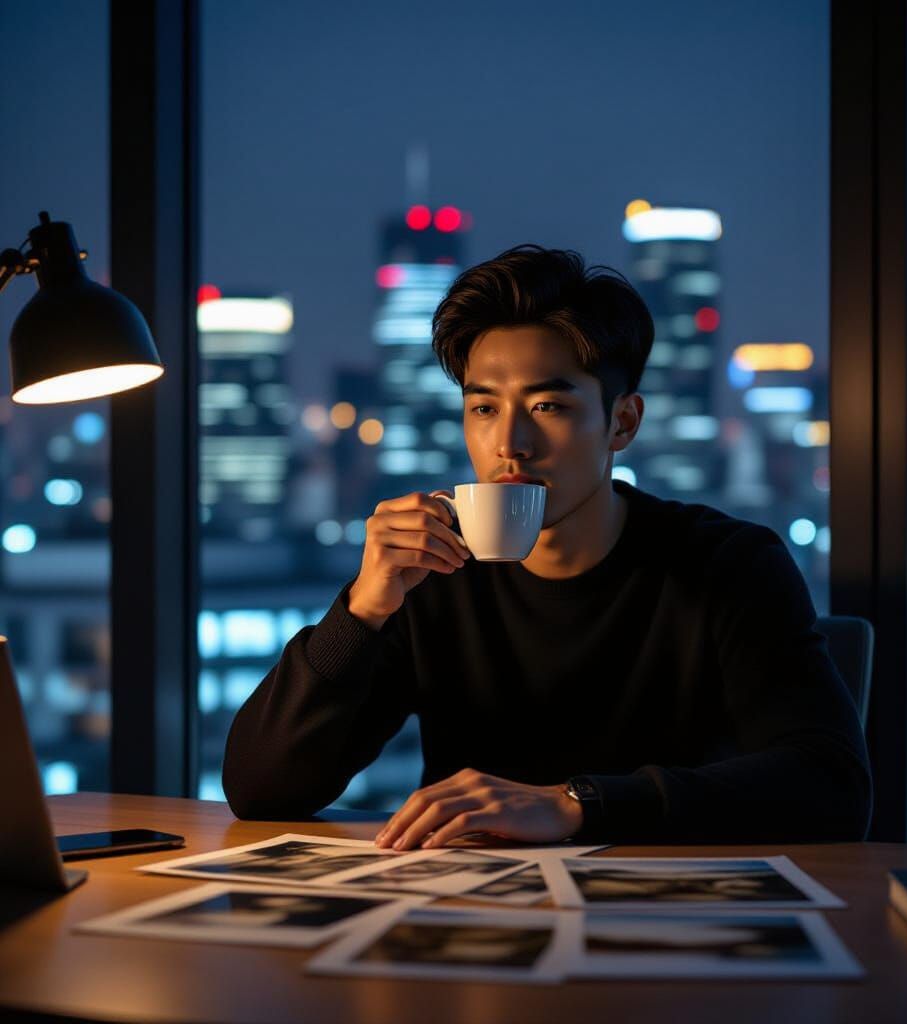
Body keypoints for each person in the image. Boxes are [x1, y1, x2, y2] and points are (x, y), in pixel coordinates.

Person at [222, 244, 872, 848]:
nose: (510, 443)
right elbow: (262, 789)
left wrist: (576, 805)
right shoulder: (434, 572)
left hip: (669, 921)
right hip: (472, 920)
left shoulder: (727, 563)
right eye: (483, 408)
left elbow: (832, 785)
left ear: (622, 421)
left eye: (548, 407)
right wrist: (362, 609)